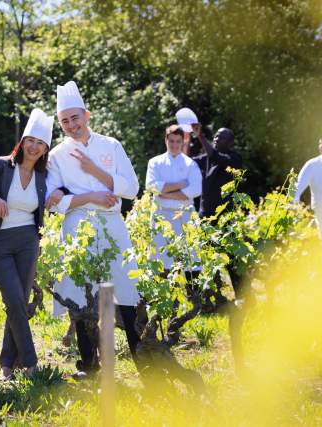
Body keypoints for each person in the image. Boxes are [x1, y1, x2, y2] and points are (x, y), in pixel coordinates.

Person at [45, 81, 141, 374]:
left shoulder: (111, 145)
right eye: (64, 121)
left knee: (126, 288)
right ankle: (89, 363)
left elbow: (133, 188)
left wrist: (94, 170)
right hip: (77, 227)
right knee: (80, 293)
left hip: (112, 224)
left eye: (75, 118)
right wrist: (87, 197)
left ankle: (141, 358)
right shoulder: (56, 155)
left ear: (86, 115)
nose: (71, 125)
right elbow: (51, 201)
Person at [0, 108, 53, 380]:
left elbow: (61, 191)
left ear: (45, 149)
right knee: (13, 300)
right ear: (22, 142)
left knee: (19, 302)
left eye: (41, 143)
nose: (34, 147)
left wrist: (59, 193)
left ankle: (7, 364)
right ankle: (31, 363)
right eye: (30, 141)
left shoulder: (44, 176)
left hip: (28, 242)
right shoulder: (0, 165)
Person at [145, 124, 202, 271]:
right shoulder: (155, 162)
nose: (174, 145)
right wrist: (180, 185)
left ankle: (192, 294)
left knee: (191, 258)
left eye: (178, 141)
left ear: (183, 142)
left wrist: (165, 192)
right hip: (161, 214)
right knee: (159, 258)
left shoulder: (190, 164)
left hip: (185, 214)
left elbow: (195, 189)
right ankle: (162, 293)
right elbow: (151, 186)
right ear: (166, 141)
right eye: (171, 141)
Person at [192, 126, 242, 218]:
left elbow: (215, 156)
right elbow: (187, 162)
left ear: (230, 143)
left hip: (224, 215)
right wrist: (186, 141)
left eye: (222, 137)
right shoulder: (205, 158)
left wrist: (200, 135)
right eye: (216, 136)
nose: (217, 139)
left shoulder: (234, 159)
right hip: (204, 213)